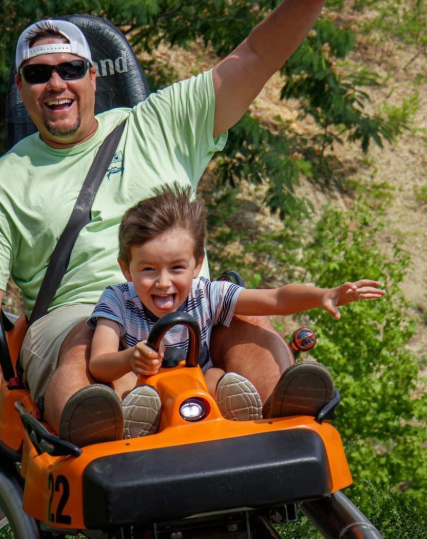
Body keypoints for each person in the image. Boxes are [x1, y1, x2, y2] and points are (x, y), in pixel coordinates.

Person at [0, 0, 341, 446]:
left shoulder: (160, 122)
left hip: (183, 297)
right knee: (84, 338)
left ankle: (284, 410)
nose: (56, 83)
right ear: (21, 87)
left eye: (70, 69)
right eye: (38, 73)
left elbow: (257, 57)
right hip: (79, 314)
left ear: (93, 75)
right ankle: (92, 428)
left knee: (244, 316)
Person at [87, 184, 384, 439]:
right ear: (126, 269)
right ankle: (134, 423)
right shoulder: (118, 300)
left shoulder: (207, 293)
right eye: (148, 270)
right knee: (121, 382)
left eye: (177, 268)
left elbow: (277, 299)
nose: (163, 283)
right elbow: (99, 363)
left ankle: (241, 412)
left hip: (195, 395)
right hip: (143, 387)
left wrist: (323, 295)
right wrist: (130, 358)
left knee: (217, 374)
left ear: (197, 265)